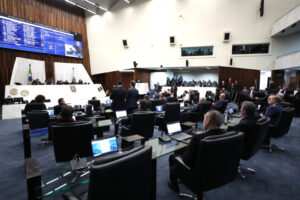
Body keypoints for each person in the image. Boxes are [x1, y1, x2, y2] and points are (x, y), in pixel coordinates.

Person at [168, 110, 224, 192]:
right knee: (181, 151)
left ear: (208, 121)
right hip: (215, 170)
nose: (203, 121)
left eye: (204, 119)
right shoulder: (226, 134)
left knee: (173, 156)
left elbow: (186, 160)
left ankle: (174, 184)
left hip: (197, 173)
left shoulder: (198, 138)